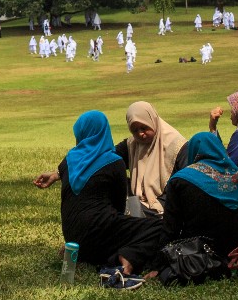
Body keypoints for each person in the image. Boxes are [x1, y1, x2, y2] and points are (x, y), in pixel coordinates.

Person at [33, 110, 167, 280]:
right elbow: (118, 207)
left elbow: (63, 174)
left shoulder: (69, 159)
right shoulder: (114, 162)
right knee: (159, 226)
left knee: (113, 227)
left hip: (73, 238)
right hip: (99, 233)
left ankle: (89, 254)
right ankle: (127, 257)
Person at [163, 130, 238, 258]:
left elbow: (171, 226)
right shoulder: (236, 176)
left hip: (196, 248)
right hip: (234, 245)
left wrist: (158, 262)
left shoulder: (180, 179)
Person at [125, 100, 187, 218]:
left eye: (144, 128)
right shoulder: (132, 144)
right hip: (139, 203)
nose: (140, 134)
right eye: (135, 130)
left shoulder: (177, 146)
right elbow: (110, 159)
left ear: (152, 121)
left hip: (167, 206)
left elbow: (183, 186)